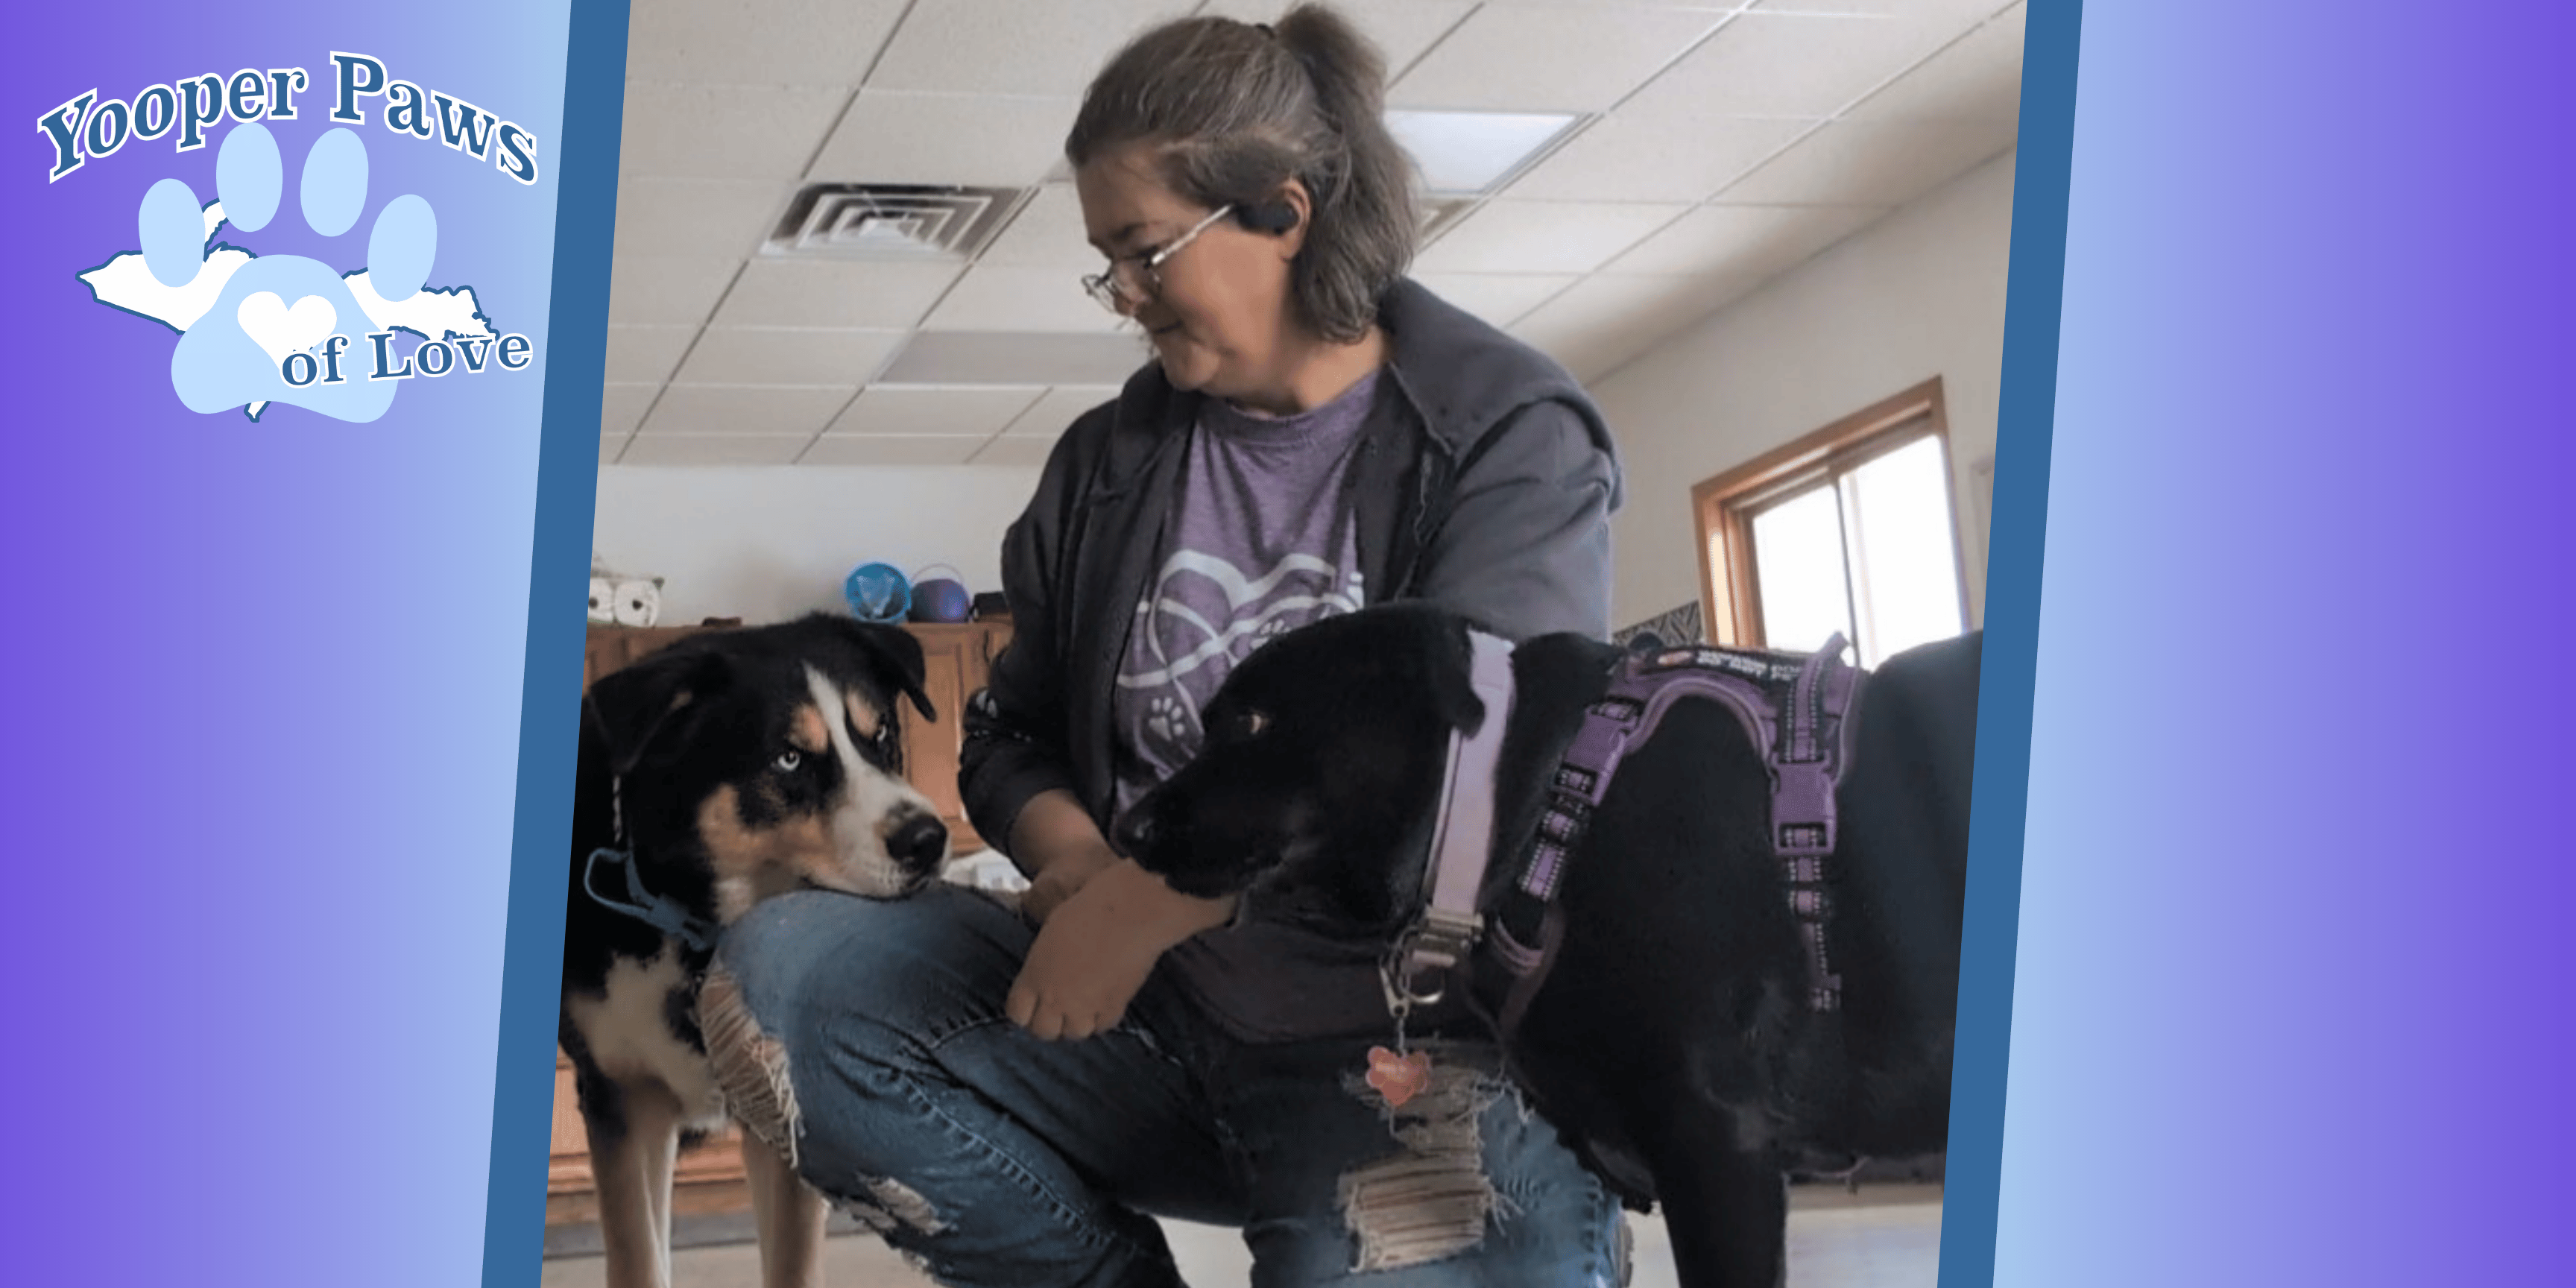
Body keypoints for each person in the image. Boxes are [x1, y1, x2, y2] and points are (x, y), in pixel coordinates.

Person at [709, 8, 1627, 1285]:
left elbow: (1475, 770)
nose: (1125, 298)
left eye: (1145, 253)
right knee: (782, 985)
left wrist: (1149, 906)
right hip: (1148, 1027)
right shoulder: (1107, 463)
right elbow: (1011, 732)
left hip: (1414, 1050)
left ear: (1283, 213)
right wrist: (1083, 867)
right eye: (1108, 264)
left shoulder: (1508, 437)